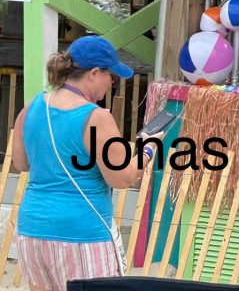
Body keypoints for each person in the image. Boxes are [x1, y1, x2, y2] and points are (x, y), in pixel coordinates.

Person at [11, 36, 160, 291]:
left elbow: (21, 162)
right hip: (82, 232)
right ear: (94, 73)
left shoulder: (32, 107)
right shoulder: (96, 117)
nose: (112, 83)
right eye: (111, 76)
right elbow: (122, 177)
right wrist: (148, 148)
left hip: (32, 228)